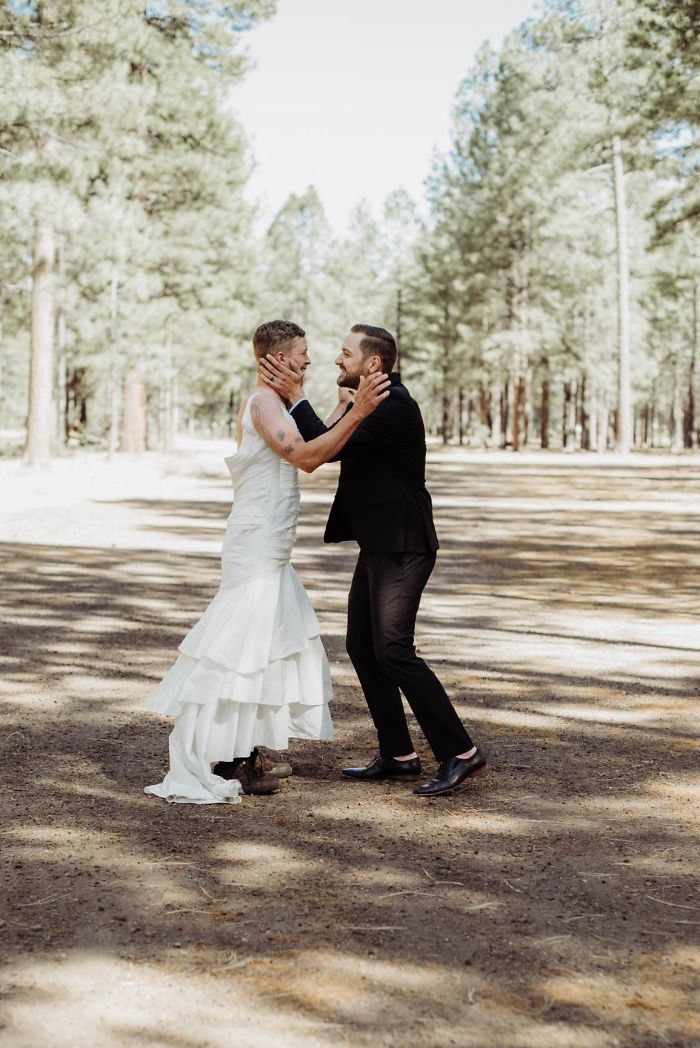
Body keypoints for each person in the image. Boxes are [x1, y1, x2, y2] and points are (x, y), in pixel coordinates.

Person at [143, 320, 390, 804]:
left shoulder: (279, 404)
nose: (308, 360)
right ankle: (223, 760)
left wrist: (343, 411)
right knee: (238, 646)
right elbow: (306, 457)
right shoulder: (261, 404)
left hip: (274, 545)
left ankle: (243, 749)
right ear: (275, 358)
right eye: (301, 352)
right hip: (255, 542)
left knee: (265, 646)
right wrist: (357, 412)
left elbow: (322, 440)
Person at [260, 324, 486, 797]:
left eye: (345, 354)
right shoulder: (372, 403)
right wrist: (319, 404)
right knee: (363, 647)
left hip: (403, 545)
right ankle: (399, 754)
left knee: (394, 650)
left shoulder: (393, 406)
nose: (336, 362)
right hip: (379, 544)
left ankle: (460, 752)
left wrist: (298, 396)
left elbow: (327, 449)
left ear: (373, 364)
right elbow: (328, 437)